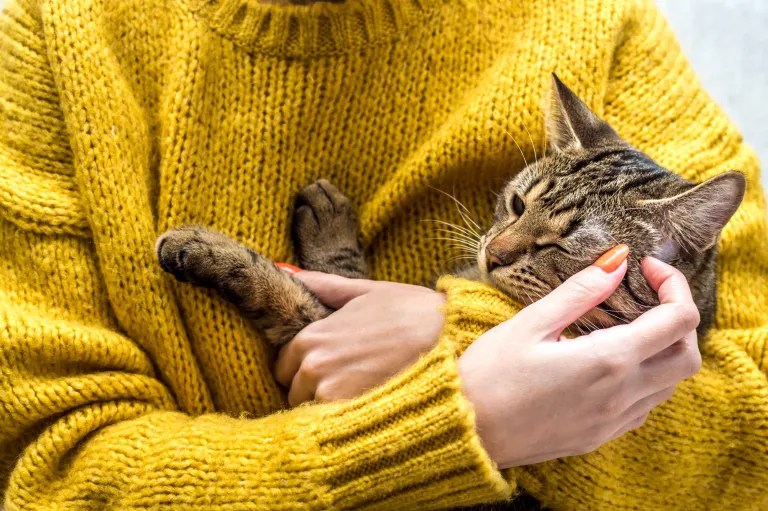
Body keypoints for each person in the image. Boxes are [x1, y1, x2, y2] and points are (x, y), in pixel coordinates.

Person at [0, 0, 765, 509]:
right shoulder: (52, 31)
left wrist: (454, 341)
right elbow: (47, 477)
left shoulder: (597, 21)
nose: (497, 249)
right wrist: (450, 412)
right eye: (514, 211)